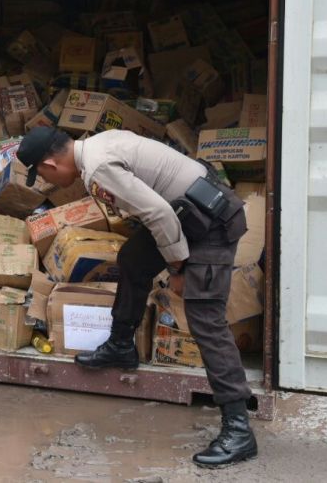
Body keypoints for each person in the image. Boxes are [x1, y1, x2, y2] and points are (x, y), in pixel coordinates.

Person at [16, 127, 257, 468]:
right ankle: (121, 345)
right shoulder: (99, 142)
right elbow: (158, 211)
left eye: (40, 172)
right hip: (189, 214)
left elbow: (158, 214)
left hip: (212, 223)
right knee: (133, 258)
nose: (45, 179)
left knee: (206, 320)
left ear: (51, 163)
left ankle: (238, 428)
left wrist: (178, 269)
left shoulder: (99, 167)